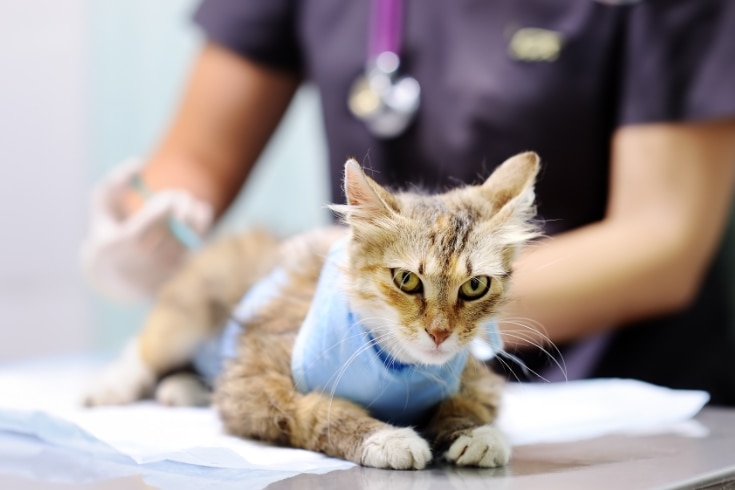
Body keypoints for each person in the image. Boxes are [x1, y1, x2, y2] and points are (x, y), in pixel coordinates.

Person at [81, 0, 735, 405]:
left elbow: (663, 241)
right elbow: (192, 165)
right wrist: (148, 228)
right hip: (367, 379)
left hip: (612, 404)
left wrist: (388, 310)